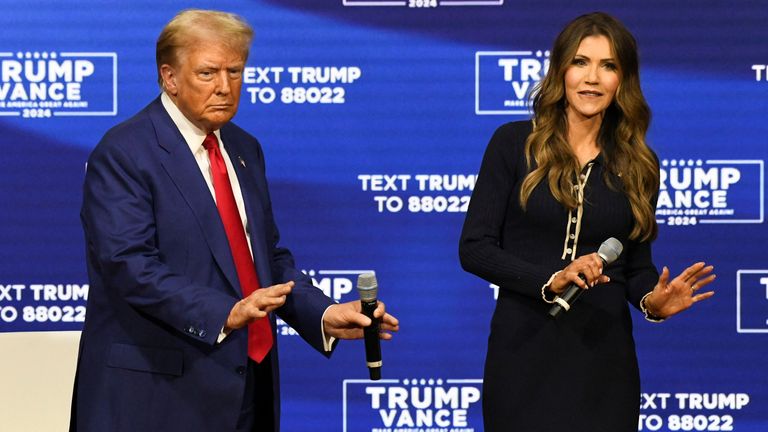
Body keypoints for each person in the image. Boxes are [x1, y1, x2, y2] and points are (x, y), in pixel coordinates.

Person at [69, 9, 398, 432]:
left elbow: (266, 257)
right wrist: (226, 312)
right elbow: (129, 265)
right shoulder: (124, 153)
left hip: (247, 386)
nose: (225, 87)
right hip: (159, 395)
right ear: (169, 78)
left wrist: (322, 313)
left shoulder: (244, 148)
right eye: (208, 73)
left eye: (235, 71)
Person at [459, 12, 715, 432]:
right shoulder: (512, 144)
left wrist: (654, 301)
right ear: (560, 70)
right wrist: (552, 279)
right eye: (581, 62)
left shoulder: (638, 165)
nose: (592, 78)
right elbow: (475, 248)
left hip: (604, 361)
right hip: (522, 351)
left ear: (622, 81)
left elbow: (635, 267)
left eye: (608, 66)